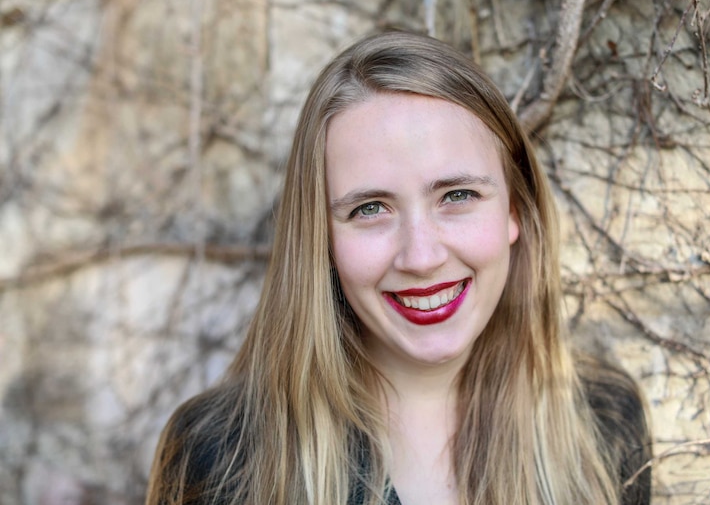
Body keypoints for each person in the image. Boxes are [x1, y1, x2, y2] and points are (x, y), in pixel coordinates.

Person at [145, 31, 651, 505]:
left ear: (514, 211)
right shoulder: (217, 454)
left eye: (457, 195)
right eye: (369, 208)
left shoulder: (601, 420)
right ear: (320, 237)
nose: (421, 257)